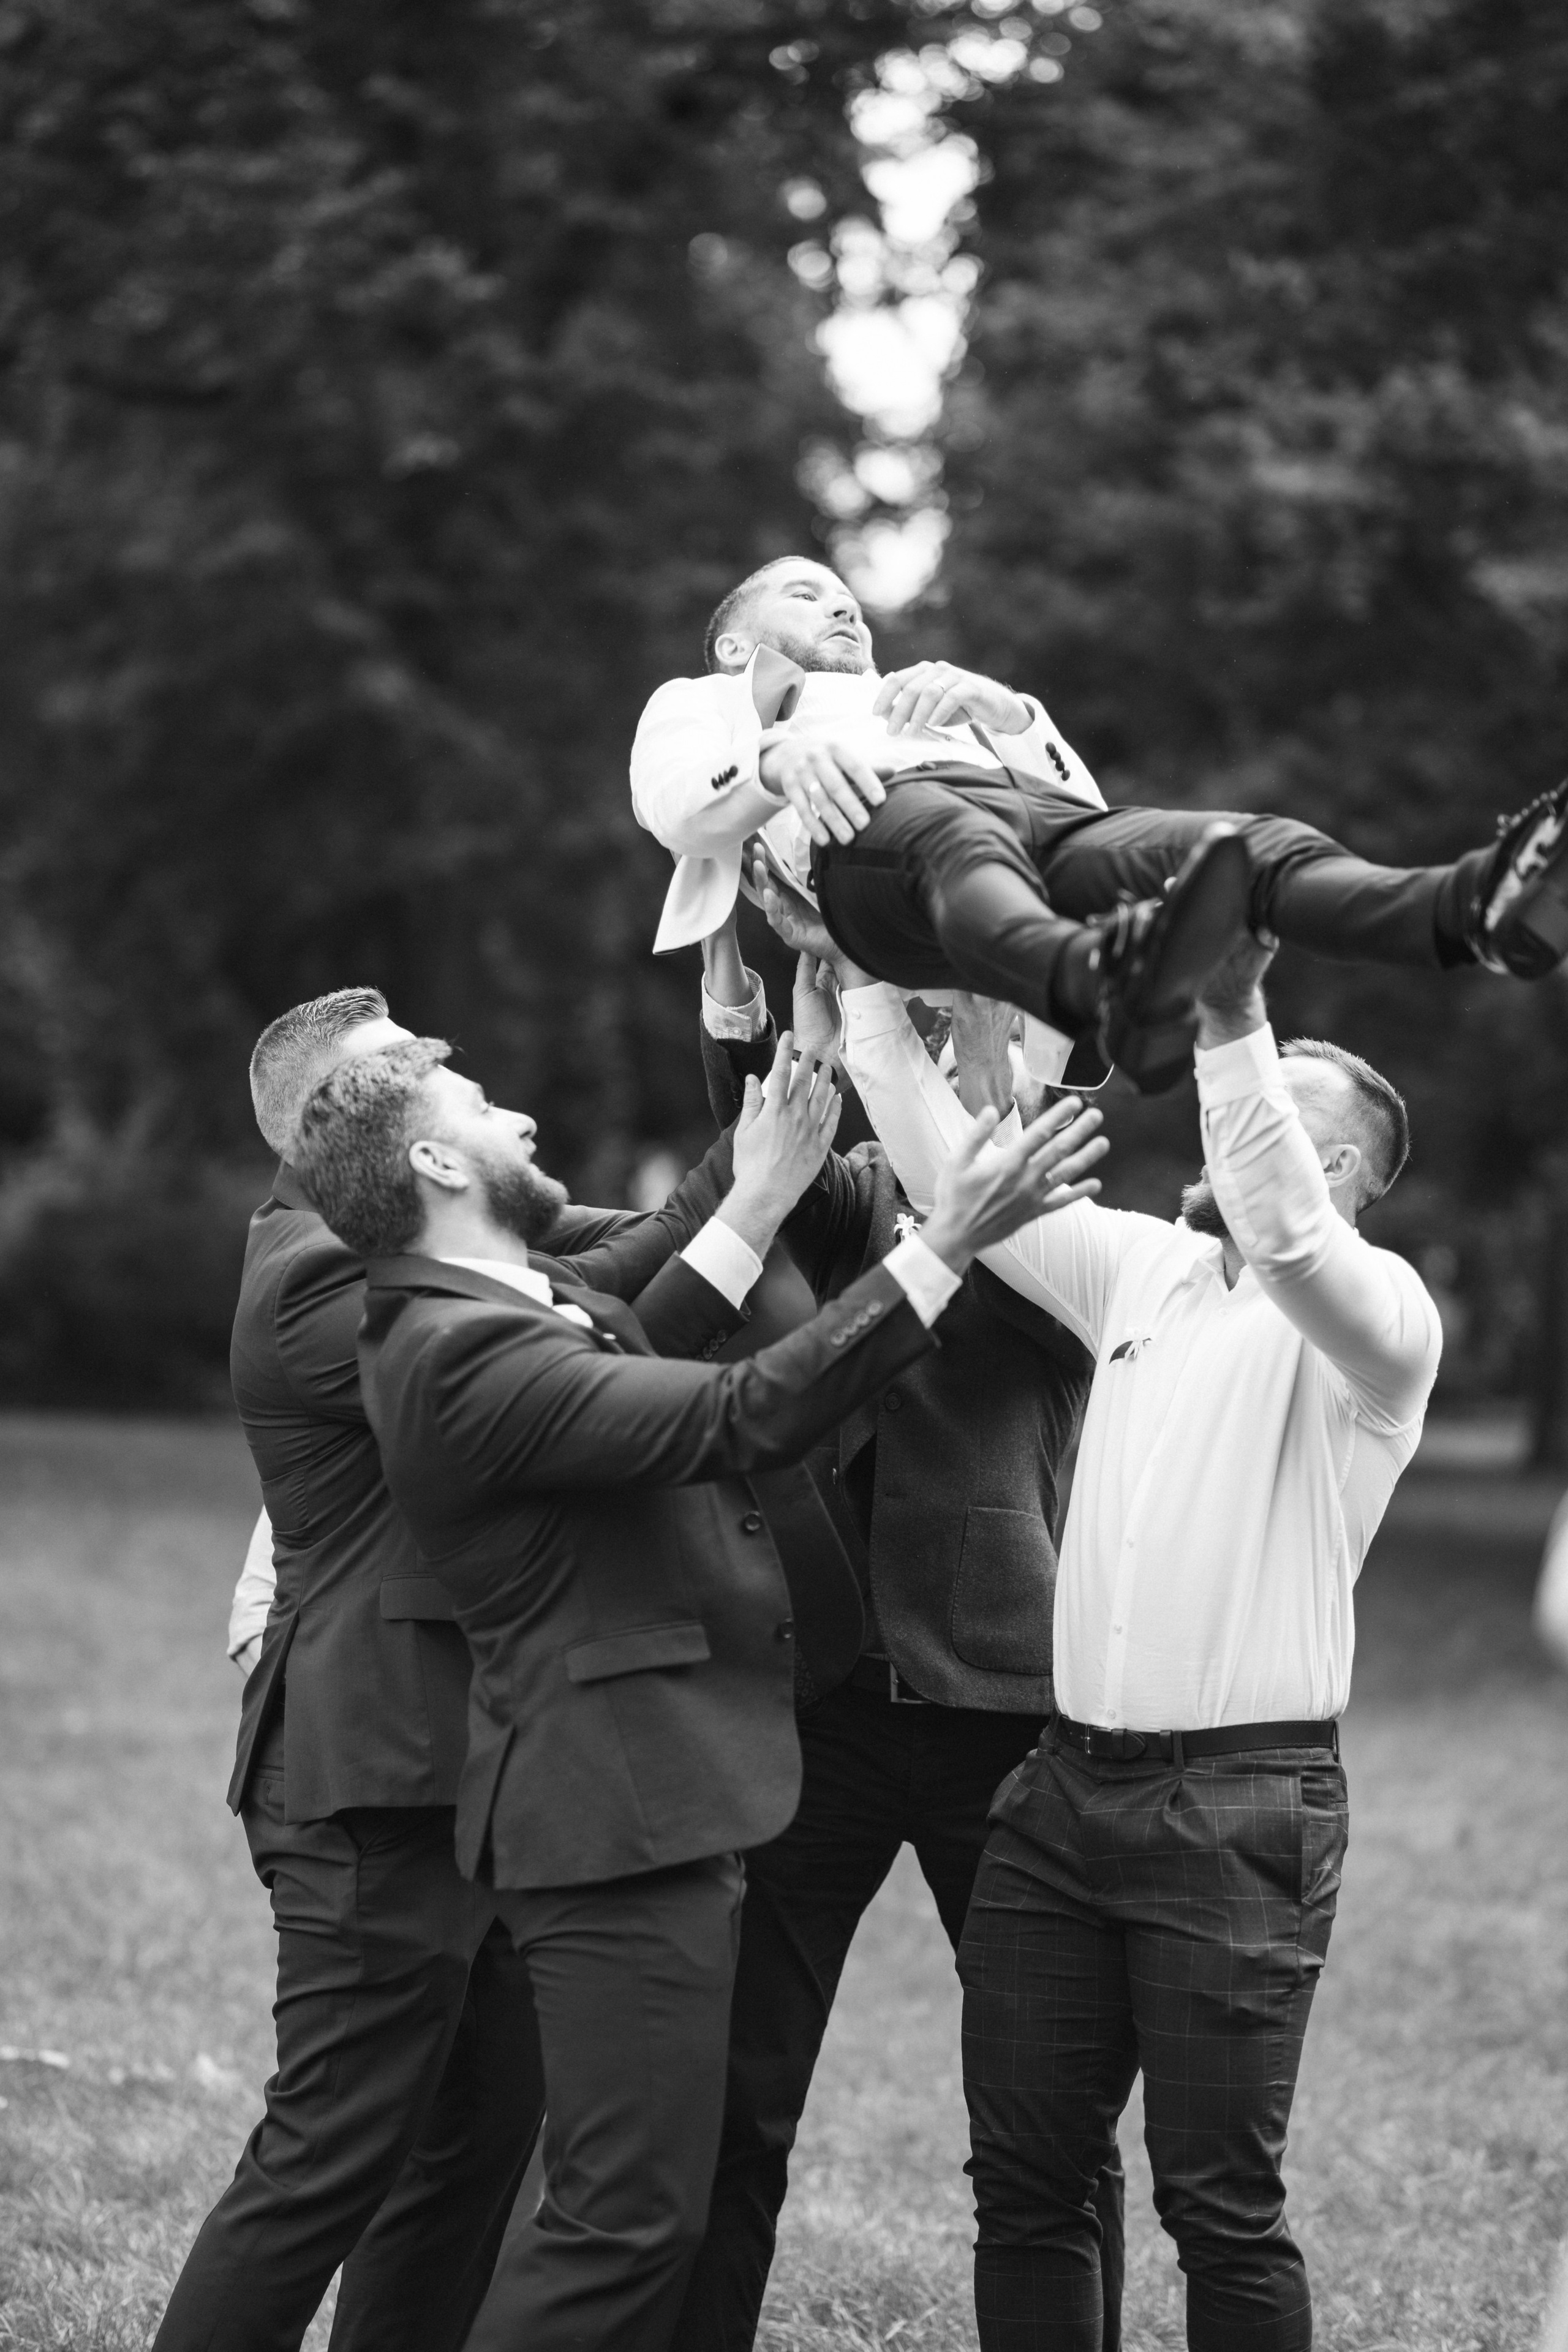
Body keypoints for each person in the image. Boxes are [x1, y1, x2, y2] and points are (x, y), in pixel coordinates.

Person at [295, 1025, 1107, 2352]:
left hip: (665, 1799)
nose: (524, 1118)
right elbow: (739, 1412)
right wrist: (942, 1239)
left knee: (634, 2212)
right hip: (614, 1811)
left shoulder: (523, 1303)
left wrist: (762, 1139)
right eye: (487, 1105)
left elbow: (666, 1309)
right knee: (621, 2224)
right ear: (437, 1157)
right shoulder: (456, 1347)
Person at [156, 984, 830, 2352]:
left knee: (468, 2152)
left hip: (489, 1770)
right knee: (328, 2156)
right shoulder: (314, 1276)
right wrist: (751, 1211)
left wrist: (790, 1058)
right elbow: (595, 1327)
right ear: (336, 1129)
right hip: (370, 1776)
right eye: (402, 1068)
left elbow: (623, 1256)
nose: (439, 1067)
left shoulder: (463, 1230)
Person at [832, 936, 1442, 2352]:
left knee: (1216, 2202)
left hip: (1237, 1812)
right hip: (1058, 1799)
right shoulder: (1143, 1275)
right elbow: (949, 1186)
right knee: (1025, 2181)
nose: (1232, 1117)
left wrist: (1233, 1020)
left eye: (1275, 1109)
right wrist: (861, 984)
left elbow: (1290, 1239)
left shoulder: (1379, 1326)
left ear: (1335, 1168)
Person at [671, 914, 1124, 2352]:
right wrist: (776, 987)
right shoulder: (851, 1191)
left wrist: (985, 1018)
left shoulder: (1080, 1222)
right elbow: (750, 1181)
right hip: (814, 1709)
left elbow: (994, 1262)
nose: (930, 1045)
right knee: (739, 2093)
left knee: (1040, 2113)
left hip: (996, 1706)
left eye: (966, 1026)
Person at [630, 555, 1568, 1089]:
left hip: (1018, 827)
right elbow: (666, 800)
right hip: (869, 860)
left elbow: (1081, 820)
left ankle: (1465, 910)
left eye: (847, 593)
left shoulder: (916, 694)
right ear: (736, 640)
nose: (842, 601)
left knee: (1238, 846)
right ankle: (1099, 981)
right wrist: (773, 757)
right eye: (806, 592)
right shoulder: (712, 699)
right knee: (949, 837)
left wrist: (1009, 715)